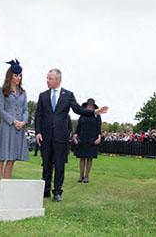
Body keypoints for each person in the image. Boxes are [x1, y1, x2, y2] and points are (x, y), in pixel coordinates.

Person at [35, 68, 108, 202]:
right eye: (47, 78)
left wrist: (94, 112)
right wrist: (38, 132)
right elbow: (38, 115)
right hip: (45, 136)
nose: (47, 81)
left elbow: (78, 110)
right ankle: (45, 190)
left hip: (60, 137)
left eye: (50, 78)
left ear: (57, 80)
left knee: (59, 164)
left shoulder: (68, 95)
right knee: (46, 164)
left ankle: (57, 192)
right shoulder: (43, 95)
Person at [0, 59, 29, 184]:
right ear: (10, 75)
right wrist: (13, 121)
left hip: (19, 129)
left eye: (20, 75)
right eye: (16, 75)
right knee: (2, 157)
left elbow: (26, 109)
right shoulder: (2, 90)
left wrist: (24, 121)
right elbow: (0, 109)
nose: (18, 78)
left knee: (12, 158)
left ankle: (7, 185)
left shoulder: (23, 92)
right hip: (7, 127)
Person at [72, 98, 102, 184]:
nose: (90, 107)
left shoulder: (97, 115)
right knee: (82, 158)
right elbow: (78, 127)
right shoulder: (82, 115)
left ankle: (87, 176)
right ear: (86, 106)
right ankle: (81, 176)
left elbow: (98, 127)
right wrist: (75, 135)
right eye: (88, 105)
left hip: (92, 138)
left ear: (94, 107)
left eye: (91, 106)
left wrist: (99, 137)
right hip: (82, 138)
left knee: (89, 158)